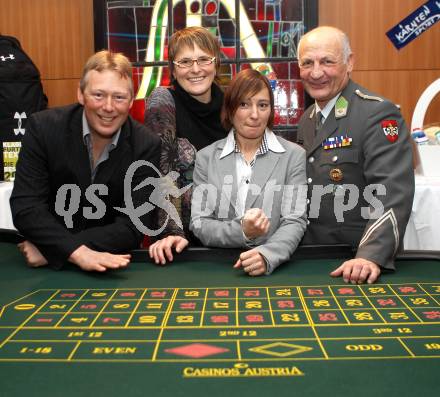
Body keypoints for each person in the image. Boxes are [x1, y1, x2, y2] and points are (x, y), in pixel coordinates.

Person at [10, 50, 161, 272]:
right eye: (98, 95)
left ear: (130, 101)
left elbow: (134, 225)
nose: (108, 107)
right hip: (46, 270)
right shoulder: (43, 128)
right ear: (81, 94)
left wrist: (56, 250)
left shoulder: (146, 144)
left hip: (109, 265)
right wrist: (75, 252)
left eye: (119, 97)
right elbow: (27, 207)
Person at [297, 26, 414, 284]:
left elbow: (392, 191)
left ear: (349, 63)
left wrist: (370, 255)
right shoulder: (308, 119)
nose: (316, 72)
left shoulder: (377, 114)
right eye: (307, 63)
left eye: (327, 61)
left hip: (358, 262)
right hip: (312, 256)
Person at [190, 69, 307, 276]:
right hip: (219, 268)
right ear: (230, 109)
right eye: (244, 104)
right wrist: (242, 231)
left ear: (271, 110)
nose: (254, 115)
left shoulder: (293, 155)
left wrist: (267, 255)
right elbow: (200, 224)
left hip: (274, 267)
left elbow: (294, 220)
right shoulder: (205, 158)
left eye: (262, 105)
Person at [145, 26, 227, 265]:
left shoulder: (232, 104)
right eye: (185, 61)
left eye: (203, 59)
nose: (195, 69)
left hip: (229, 234)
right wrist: (172, 233)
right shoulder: (163, 100)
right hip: (182, 241)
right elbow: (162, 174)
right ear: (173, 68)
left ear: (216, 62)